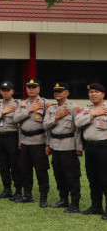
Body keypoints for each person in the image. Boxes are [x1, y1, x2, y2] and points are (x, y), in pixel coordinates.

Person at [43, 82, 81, 213]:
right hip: (55, 146)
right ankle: (63, 199)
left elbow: (78, 129)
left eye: (60, 91)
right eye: (55, 91)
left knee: (72, 175)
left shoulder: (73, 108)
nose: (57, 93)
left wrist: (79, 148)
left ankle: (75, 203)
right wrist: (56, 117)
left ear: (67, 93)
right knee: (58, 175)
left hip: (69, 146)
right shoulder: (52, 108)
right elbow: (46, 126)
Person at [13, 78, 50, 207]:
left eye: (34, 87)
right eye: (29, 87)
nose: (31, 89)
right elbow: (15, 119)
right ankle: (27, 195)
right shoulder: (22, 103)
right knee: (25, 169)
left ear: (39, 89)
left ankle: (43, 197)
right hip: (25, 141)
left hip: (39, 141)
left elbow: (48, 126)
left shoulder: (46, 103)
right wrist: (29, 110)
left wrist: (48, 144)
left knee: (41, 170)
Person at [74, 83, 107, 218]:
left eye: (97, 92)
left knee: (105, 179)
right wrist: (93, 114)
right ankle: (96, 206)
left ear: (103, 94)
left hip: (104, 148)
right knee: (93, 178)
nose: (93, 94)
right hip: (90, 148)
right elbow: (78, 123)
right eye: (91, 92)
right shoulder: (86, 110)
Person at [0, 81, 22, 200]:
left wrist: (19, 142)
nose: (5, 92)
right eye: (3, 90)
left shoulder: (18, 104)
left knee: (15, 164)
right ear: (1, 91)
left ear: (12, 91)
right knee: (3, 164)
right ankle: (7, 189)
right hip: (1, 137)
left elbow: (20, 125)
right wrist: (3, 112)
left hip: (13, 137)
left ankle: (18, 190)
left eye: (8, 90)